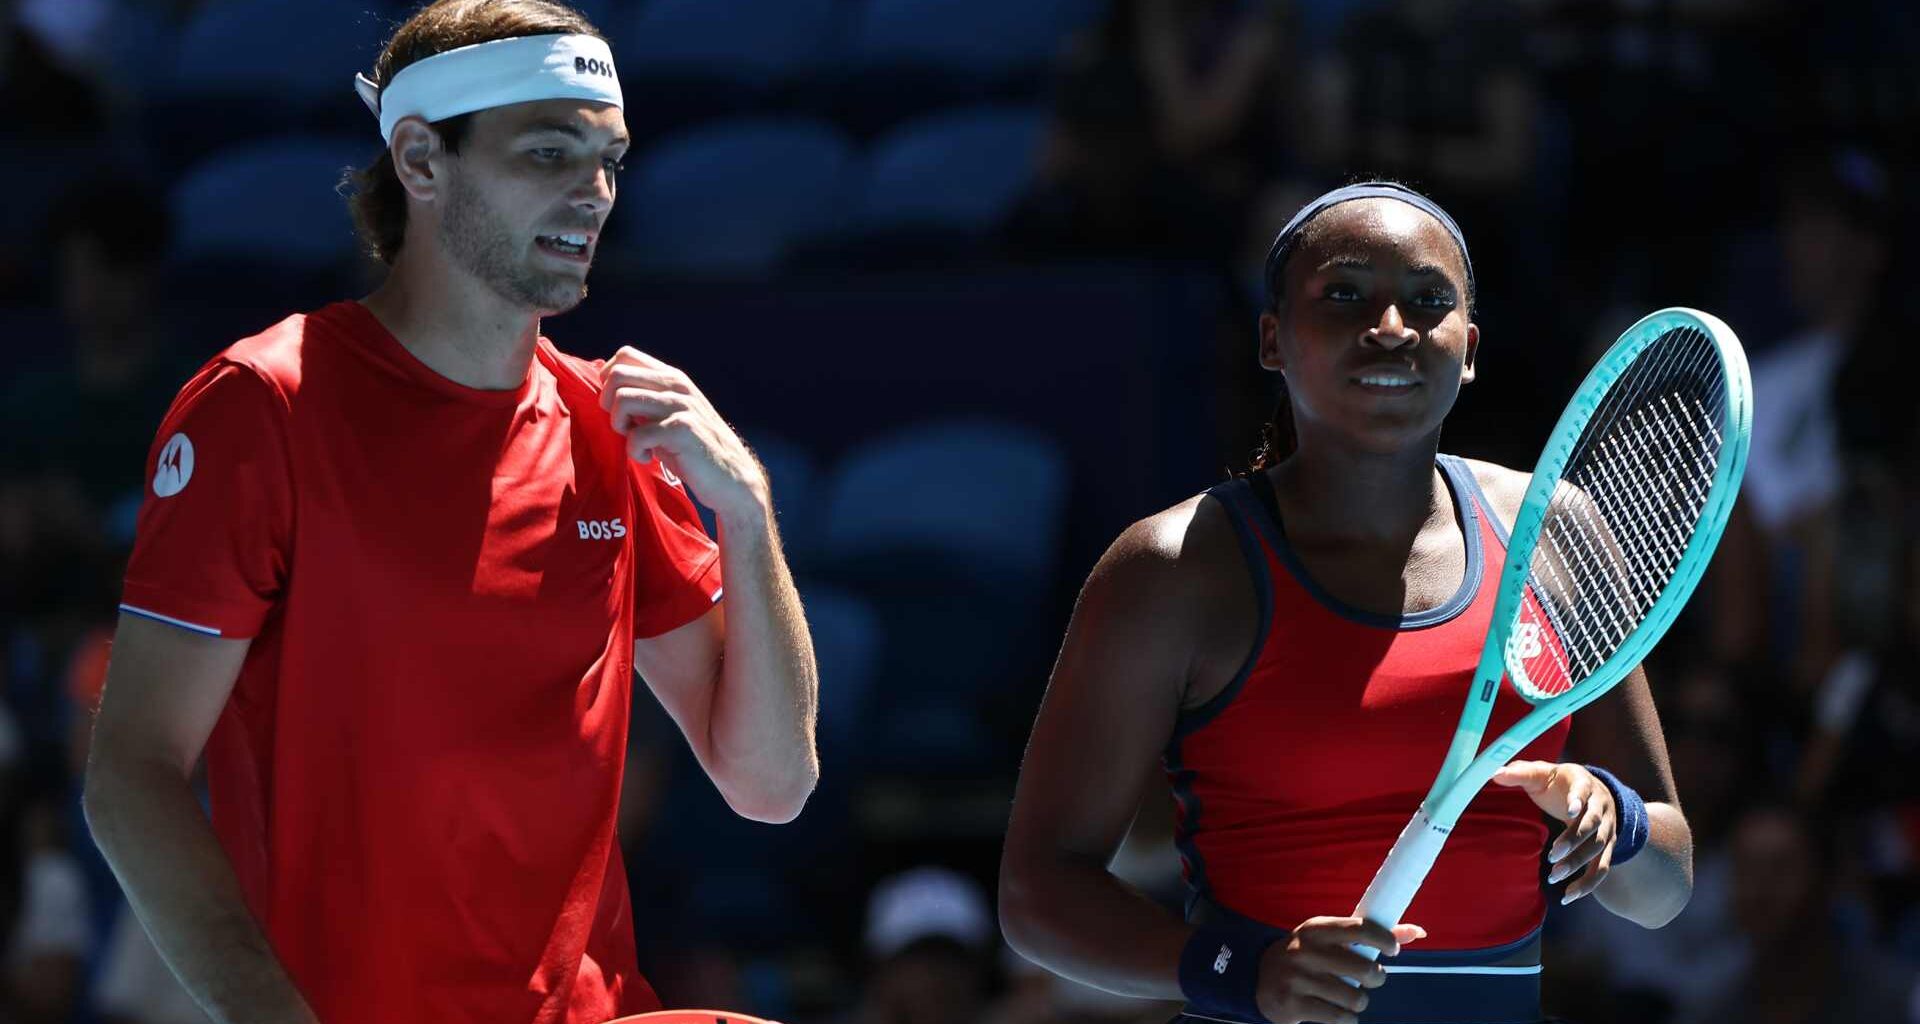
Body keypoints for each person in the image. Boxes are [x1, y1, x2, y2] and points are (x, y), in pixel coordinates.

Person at [80, 3, 819, 1023]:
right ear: (421, 160)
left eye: (610, 161)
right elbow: (131, 776)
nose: (594, 195)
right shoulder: (263, 406)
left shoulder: (610, 429)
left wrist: (746, 505)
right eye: (551, 154)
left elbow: (772, 783)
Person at [999, 182, 1693, 1024]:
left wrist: (1613, 822)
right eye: (1344, 294)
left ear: (1468, 348)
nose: (1393, 326)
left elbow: (1665, 883)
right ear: (1272, 340)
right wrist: (1242, 970)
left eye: (1429, 301)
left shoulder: (1557, 532)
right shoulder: (1170, 570)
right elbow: (1036, 897)